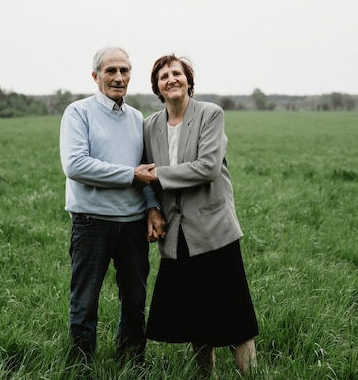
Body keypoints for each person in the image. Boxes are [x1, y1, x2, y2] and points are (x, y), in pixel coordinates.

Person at [143, 54, 258, 376]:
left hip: (214, 229)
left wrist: (156, 175)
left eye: (177, 73)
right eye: (164, 76)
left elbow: (207, 168)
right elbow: (142, 174)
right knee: (196, 317)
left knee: (235, 317)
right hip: (177, 236)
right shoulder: (150, 126)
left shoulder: (210, 114)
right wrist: (152, 206)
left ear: (188, 81)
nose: (171, 79)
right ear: (158, 87)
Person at [59, 46, 166, 363]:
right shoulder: (78, 113)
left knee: (134, 299)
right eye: (111, 71)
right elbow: (76, 166)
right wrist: (129, 175)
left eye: (125, 71)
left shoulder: (136, 118)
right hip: (92, 222)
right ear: (96, 76)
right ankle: (81, 366)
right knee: (85, 301)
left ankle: (132, 362)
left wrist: (151, 206)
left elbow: (145, 169)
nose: (119, 78)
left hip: (133, 224)